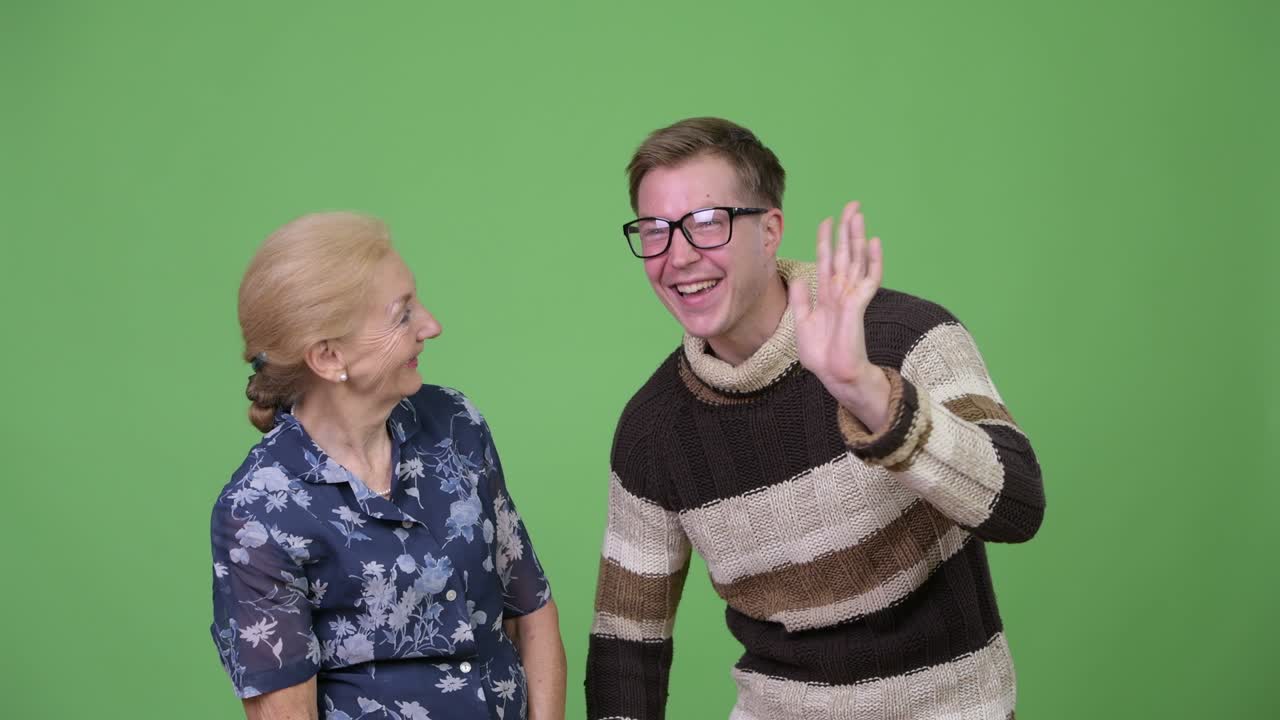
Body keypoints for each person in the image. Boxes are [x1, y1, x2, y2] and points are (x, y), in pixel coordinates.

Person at [585, 118, 1045, 720]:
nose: (678, 257)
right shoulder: (654, 432)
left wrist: (868, 393)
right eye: (655, 230)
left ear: (769, 230)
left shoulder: (906, 338)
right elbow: (627, 646)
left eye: (706, 223)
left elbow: (1018, 507)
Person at [211, 212, 566, 720]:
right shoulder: (258, 515)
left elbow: (530, 608)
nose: (431, 325)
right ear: (329, 356)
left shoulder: (455, 423)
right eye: (402, 314)